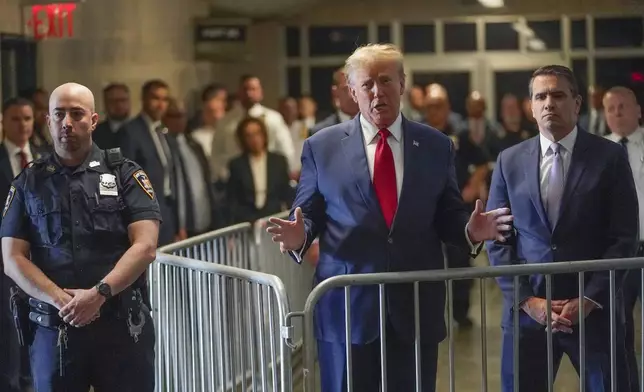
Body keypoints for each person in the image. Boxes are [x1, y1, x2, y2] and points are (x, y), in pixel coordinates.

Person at [267, 43, 513, 392]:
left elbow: (448, 213)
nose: (377, 91)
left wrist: (469, 230)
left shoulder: (436, 145)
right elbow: (308, 213)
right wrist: (300, 235)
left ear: (402, 83)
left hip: (414, 306)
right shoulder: (321, 146)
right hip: (347, 309)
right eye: (367, 84)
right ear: (352, 91)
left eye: (386, 80)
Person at [486, 65, 638, 392]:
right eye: (540, 96)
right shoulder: (508, 161)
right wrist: (528, 300)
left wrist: (590, 297)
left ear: (577, 103)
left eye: (558, 95)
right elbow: (498, 241)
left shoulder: (609, 157)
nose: (548, 103)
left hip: (594, 314)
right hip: (529, 316)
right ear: (531, 106)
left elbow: (624, 235)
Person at [1, 82, 161, 391]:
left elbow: (145, 246)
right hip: (54, 328)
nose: (67, 123)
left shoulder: (125, 174)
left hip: (121, 327)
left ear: (94, 120)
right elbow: (12, 258)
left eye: (77, 114)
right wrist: (63, 300)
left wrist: (99, 294)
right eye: (59, 115)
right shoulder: (28, 182)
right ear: (48, 121)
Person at [603, 86, 644, 392]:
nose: (617, 112)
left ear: (638, 110)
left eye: (623, 106)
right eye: (611, 108)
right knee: (619, 331)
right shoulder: (598, 152)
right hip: (616, 254)